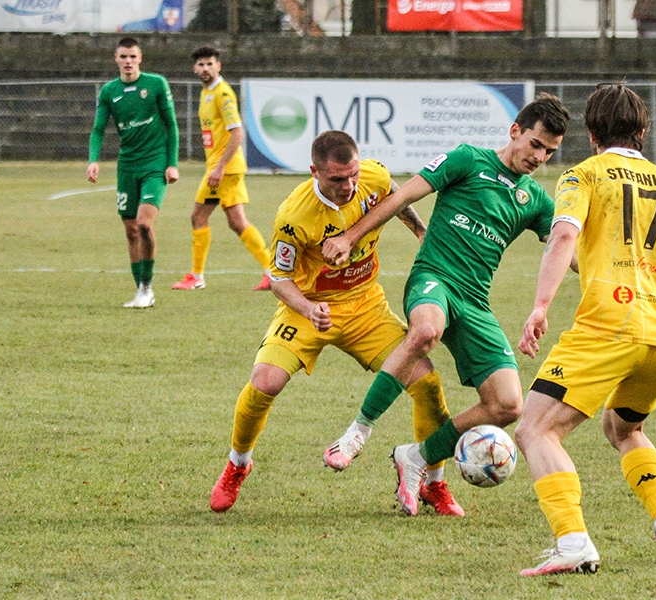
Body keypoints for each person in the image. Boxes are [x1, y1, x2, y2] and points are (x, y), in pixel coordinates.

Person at [322, 93, 571, 516]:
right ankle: (358, 431)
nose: (540, 157)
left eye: (549, 151)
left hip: (474, 300)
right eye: (535, 144)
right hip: (434, 279)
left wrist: (615, 269)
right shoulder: (466, 160)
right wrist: (349, 237)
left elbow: (565, 250)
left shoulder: (535, 200)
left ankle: (416, 457)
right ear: (515, 132)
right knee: (425, 331)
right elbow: (402, 198)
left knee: (508, 404)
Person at [513, 83, 656, 576]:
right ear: (643, 132)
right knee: (623, 428)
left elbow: (564, 233)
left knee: (535, 429)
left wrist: (541, 305)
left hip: (608, 326)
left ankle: (573, 542)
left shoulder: (583, 175)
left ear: (590, 135)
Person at [210, 130, 464, 516]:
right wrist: (308, 309)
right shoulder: (294, 216)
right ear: (314, 172)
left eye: (353, 175)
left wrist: (418, 228)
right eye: (337, 179)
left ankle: (433, 482)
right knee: (265, 381)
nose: (349, 186)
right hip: (309, 308)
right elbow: (278, 277)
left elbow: (394, 195)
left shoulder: (374, 176)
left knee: (426, 381)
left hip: (365, 307)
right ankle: (238, 464)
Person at [87, 37, 180, 308]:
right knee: (130, 231)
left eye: (132, 57)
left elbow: (171, 125)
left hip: (155, 164)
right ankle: (140, 290)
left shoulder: (156, 84)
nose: (128, 61)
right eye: (123, 57)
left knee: (144, 223)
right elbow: (97, 129)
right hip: (127, 166)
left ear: (140, 58)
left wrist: (171, 163)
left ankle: (147, 286)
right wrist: (94, 160)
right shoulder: (108, 92)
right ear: (116, 59)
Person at [172, 46, 273, 292]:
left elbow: (237, 133)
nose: (205, 68)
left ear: (219, 66)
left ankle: (197, 277)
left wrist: (219, 168)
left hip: (224, 170)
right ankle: (273, 272)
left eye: (209, 64)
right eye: (201, 64)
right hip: (226, 168)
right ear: (194, 68)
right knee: (237, 222)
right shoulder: (207, 92)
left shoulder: (223, 94)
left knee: (198, 216)